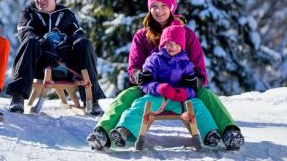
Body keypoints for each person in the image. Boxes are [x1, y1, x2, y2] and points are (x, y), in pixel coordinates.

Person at [87, 0, 245, 150]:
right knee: (126, 95)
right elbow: (133, 68)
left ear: (172, 8)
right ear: (149, 9)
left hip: (182, 89)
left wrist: (195, 79)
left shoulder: (187, 34)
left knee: (207, 95)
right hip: (151, 88)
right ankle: (102, 132)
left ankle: (229, 131)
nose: (159, 10)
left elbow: (199, 68)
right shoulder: (142, 36)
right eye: (154, 6)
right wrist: (138, 75)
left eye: (164, 5)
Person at [88, 24, 221, 149]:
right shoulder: (154, 59)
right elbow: (145, 82)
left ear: (182, 46)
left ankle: (210, 133)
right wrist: (158, 88)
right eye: (168, 43)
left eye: (176, 44)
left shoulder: (186, 63)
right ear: (163, 44)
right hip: (157, 97)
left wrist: (186, 93)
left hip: (179, 100)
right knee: (139, 105)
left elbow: (192, 85)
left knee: (198, 105)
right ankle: (123, 131)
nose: (172, 47)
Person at [5, 0, 105, 115]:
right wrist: (44, 44)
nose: (40, 0)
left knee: (84, 44)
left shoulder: (66, 14)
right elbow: (26, 33)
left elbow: (79, 34)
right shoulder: (29, 12)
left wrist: (67, 42)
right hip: (38, 65)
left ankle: (92, 100)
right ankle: (17, 96)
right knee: (30, 42)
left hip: (64, 66)